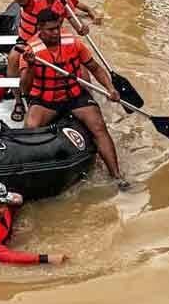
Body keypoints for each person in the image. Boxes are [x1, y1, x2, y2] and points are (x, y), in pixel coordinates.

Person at [19, 9, 127, 188]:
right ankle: (30, 177)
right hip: (46, 100)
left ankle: (117, 176)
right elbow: (25, 87)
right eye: (51, 29)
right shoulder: (30, 50)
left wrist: (110, 88)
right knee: (31, 129)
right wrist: (30, 65)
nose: (56, 32)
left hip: (74, 95)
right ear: (40, 28)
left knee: (98, 126)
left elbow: (95, 68)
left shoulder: (73, 43)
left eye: (57, 27)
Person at [7, 0, 101, 122]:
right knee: (13, 59)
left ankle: (86, 99)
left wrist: (82, 28)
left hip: (53, 40)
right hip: (28, 41)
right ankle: (18, 101)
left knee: (81, 65)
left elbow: (74, 20)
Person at [0, 181, 68, 265]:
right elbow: (8, 256)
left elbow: (17, 199)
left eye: (0, 205)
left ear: (6, 203)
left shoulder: (8, 203)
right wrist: (47, 258)